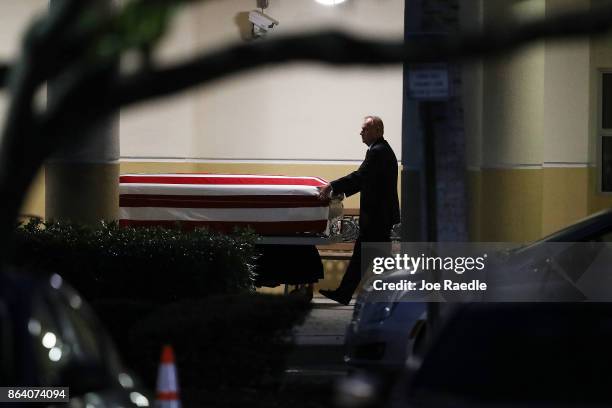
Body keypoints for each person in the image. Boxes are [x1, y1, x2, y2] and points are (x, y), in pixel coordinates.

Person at [318, 115, 400, 305]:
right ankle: (344, 294)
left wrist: (332, 186)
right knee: (370, 258)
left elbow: (361, 176)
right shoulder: (380, 150)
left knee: (373, 259)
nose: (360, 132)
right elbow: (366, 179)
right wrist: (340, 190)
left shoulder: (378, 151)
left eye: (365, 129)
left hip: (377, 217)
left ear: (378, 131)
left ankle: (347, 294)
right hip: (379, 217)